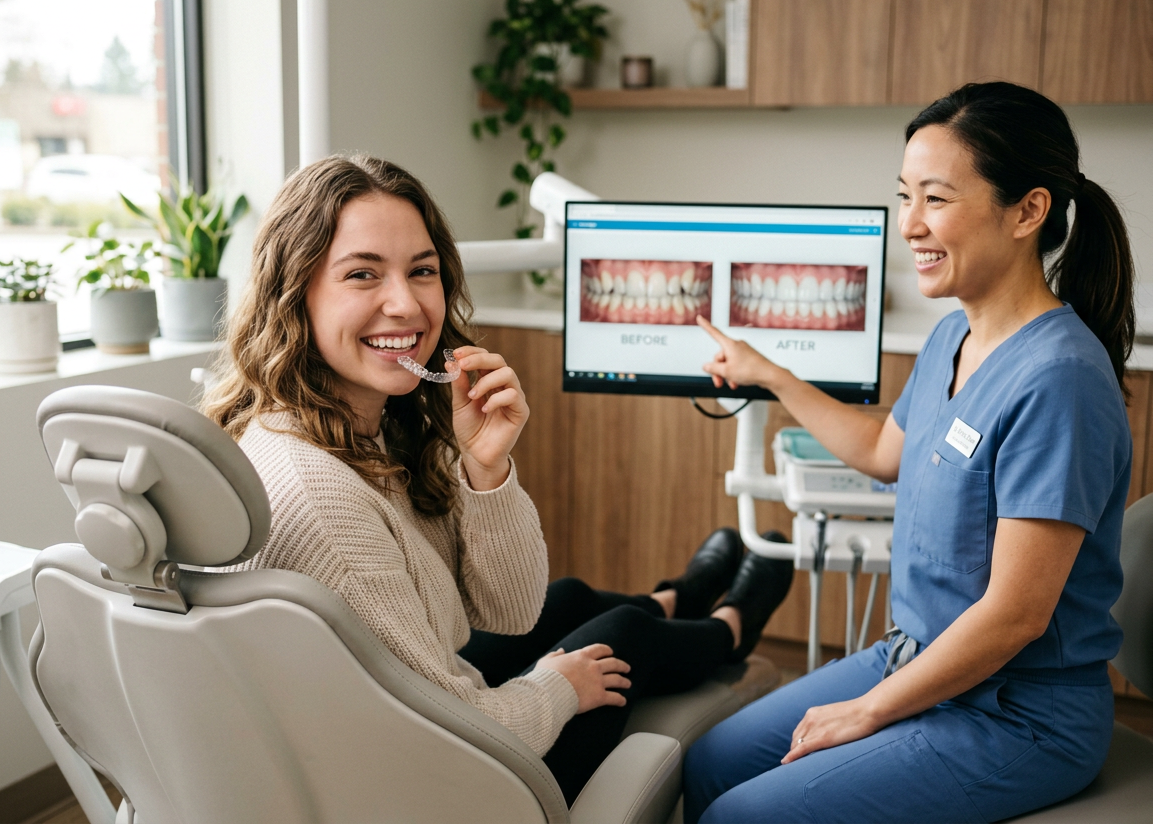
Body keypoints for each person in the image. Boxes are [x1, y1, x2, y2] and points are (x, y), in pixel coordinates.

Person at [203, 153, 794, 804]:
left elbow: (510, 613)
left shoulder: (341, 429)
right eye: (362, 274)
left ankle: (678, 597)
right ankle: (732, 626)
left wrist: (486, 471)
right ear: (294, 292)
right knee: (621, 640)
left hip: (380, 734)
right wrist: (556, 688)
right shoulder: (325, 502)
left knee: (569, 598)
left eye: (422, 271)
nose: (405, 303)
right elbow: (448, 735)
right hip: (444, 794)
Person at [683, 81, 1134, 823]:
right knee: (710, 762)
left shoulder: (1061, 380)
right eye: (905, 197)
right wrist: (769, 374)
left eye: (936, 199)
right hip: (917, 657)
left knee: (744, 815)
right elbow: (883, 449)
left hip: (1018, 711)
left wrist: (867, 711)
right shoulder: (955, 335)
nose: (910, 225)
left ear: (1028, 211)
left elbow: (1016, 616)